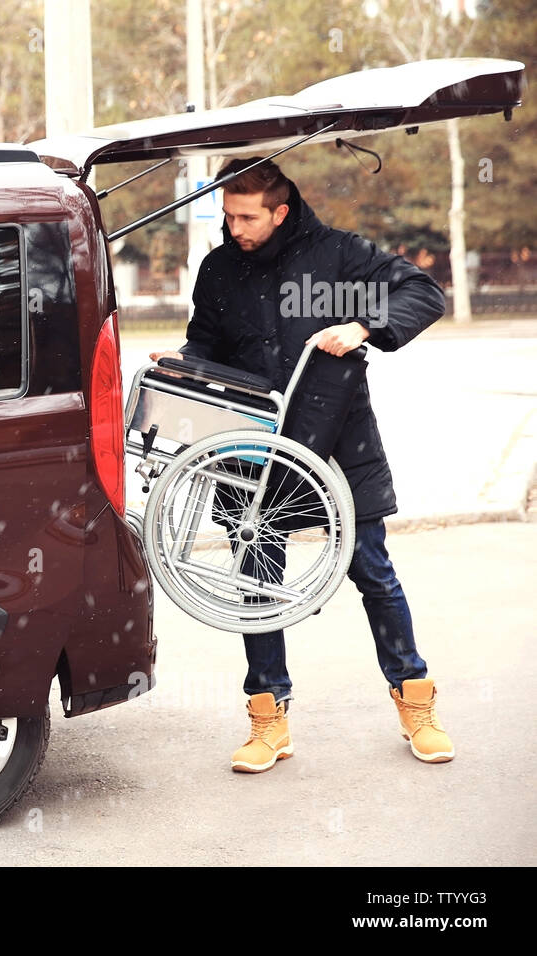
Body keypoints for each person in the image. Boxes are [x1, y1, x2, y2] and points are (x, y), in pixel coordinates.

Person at [150, 157, 454, 772]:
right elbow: (205, 342)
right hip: (250, 449)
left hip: (338, 441)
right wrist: (183, 362)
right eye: (228, 215)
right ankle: (268, 719)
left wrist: (366, 325)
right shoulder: (218, 269)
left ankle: (415, 701)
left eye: (247, 217)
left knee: (372, 570)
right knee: (255, 584)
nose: (234, 227)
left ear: (279, 210)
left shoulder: (338, 259)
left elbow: (422, 291)